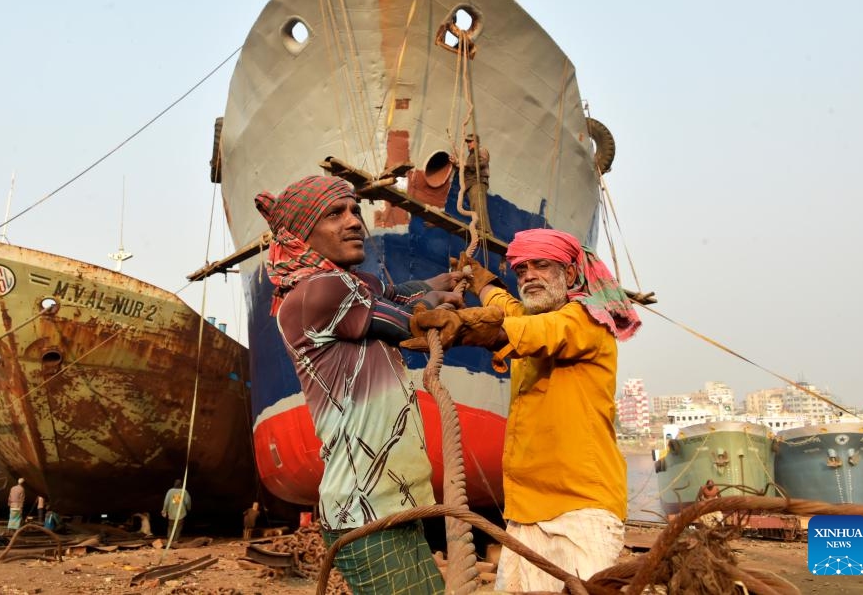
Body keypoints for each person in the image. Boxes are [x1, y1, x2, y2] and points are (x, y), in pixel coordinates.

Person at [254, 174, 464, 594]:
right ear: (301, 232)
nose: (354, 222)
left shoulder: (333, 288)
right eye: (335, 214)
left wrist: (436, 285)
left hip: (387, 503)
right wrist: (438, 304)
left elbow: (389, 292)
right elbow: (405, 321)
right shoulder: (322, 290)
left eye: (354, 210)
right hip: (368, 510)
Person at [408, 228, 641, 592]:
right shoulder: (531, 313)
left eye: (541, 266)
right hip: (523, 514)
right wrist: (482, 282)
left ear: (568, 274)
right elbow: (508, 307)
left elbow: (530, 330)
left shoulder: (586, 321)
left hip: (579, 513)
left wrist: (464, 326)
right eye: (521, 269)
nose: (528, 275)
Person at [451, 132, 491, 235]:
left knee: (478, 205)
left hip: (477, 182)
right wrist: (456, 163)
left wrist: (466, 164)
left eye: (470, 142)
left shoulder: (481, 151)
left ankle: (484, 230)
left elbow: (482, 163)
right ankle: (479, 228)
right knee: (474, 206)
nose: (468, 144)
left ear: (476, 142)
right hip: (471, 184)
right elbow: (466, 168)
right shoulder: (471, 156)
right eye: (467, 142)